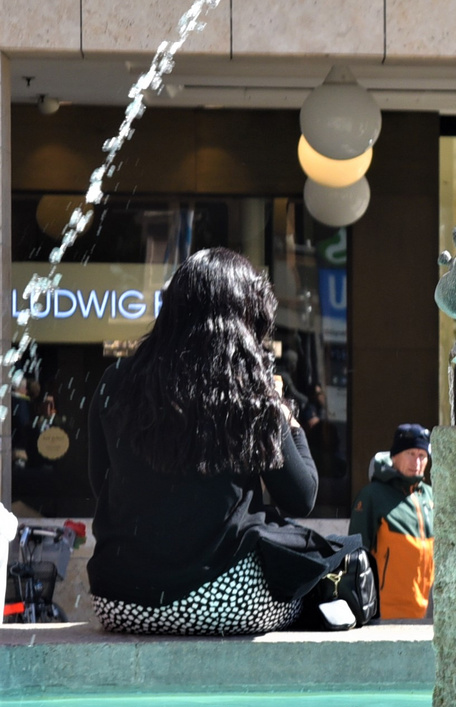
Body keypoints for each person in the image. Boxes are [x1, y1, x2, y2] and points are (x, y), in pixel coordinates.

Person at [86, 248, 343, 635]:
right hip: (221, 599)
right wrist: (287, 417)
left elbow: (97, 482)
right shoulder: (249, 391)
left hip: (119, 598)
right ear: (244, 317)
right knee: (330, 572)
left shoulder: (116, 380)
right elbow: (301, 496)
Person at [350, 423, 436, 620]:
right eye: (410, 454)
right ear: (394, 456)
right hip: (386, 612)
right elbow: (355, 556)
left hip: (428, 613)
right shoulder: (372, 496)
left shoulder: (431, 496)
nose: (417, 461)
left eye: (422, 455)